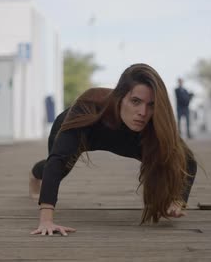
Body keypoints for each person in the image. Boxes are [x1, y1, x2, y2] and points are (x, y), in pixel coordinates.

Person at [29, 63, 198, 236]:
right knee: (59, 169)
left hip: (130, 140)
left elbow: (188, 161)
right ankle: (34, 175)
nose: (143, 112)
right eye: (135, 101)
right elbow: (57, 161)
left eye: (151, 105)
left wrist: (178, 200)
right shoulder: (89, 104)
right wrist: (46, 220)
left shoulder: (153, 124)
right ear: (120, 97)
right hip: (81, 128)